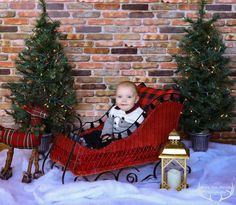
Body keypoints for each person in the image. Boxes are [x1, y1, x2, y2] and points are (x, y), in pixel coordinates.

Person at [73, 81, 145, 149]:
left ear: (136, 99)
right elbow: (109, 122)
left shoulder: (138, 114)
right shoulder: (115, 109)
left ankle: (91, 148)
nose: (124, 100)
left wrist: (113, 138)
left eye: (129, 97)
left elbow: (139, 131)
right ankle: (82, 140)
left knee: (105, 143)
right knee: (96, 133)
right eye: (120, 97)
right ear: (115, 98)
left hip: (123, 140)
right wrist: (106, 134)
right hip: (110, 134)